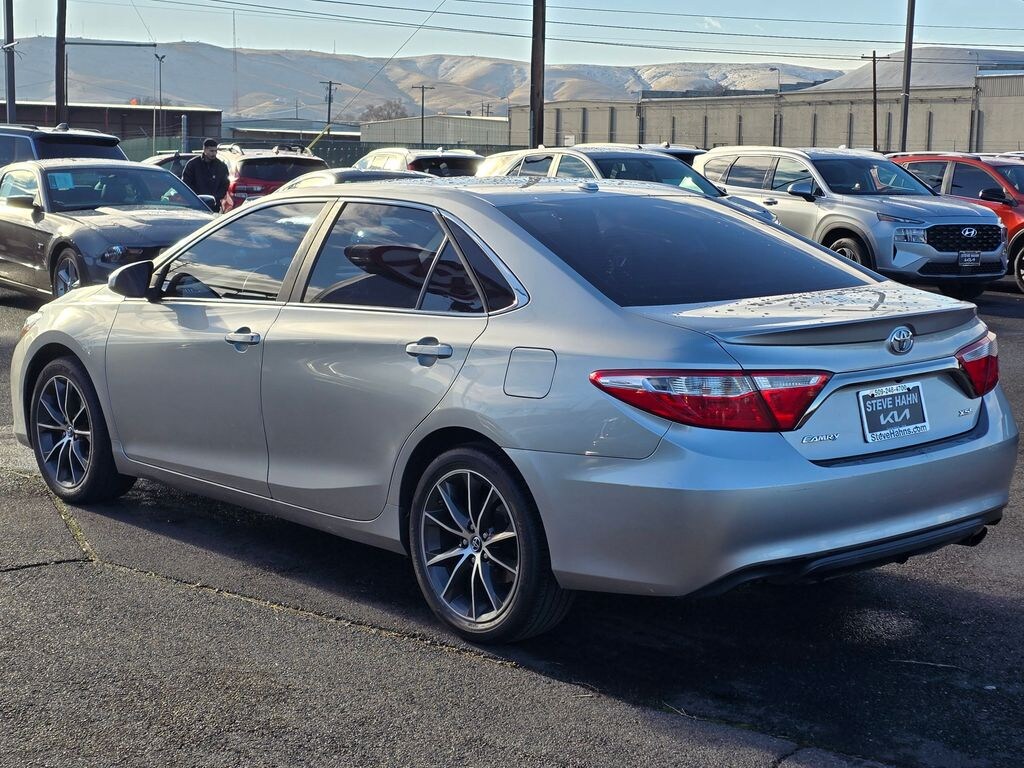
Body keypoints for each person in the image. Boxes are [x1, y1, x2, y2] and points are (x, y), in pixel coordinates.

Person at [182, 138, 229, 211]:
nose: (214, 153)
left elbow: (224, 185)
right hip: (195, 205)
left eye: (215, 151)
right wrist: (196, 198)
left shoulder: (221, 166)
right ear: (204, 150)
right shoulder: (193, 164)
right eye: (211, 151)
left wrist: (215, 198)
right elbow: (186, 183)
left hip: (214, 206)